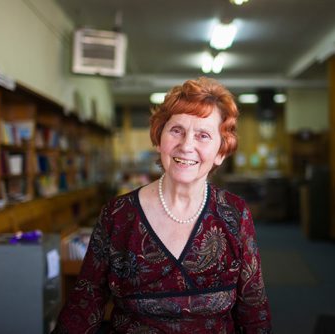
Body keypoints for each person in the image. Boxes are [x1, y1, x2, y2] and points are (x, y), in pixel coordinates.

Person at [53, 77, 272, 333]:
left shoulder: (235, 214)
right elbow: (85, 302)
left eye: (203, 135)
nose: (186, 145)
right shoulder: (118, 215)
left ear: (220, 152)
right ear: (159, 139)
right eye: (176, 130)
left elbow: (253, 308)